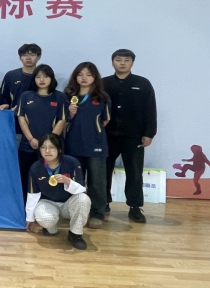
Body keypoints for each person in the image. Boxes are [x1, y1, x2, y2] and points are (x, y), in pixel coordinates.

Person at [103, 49, 157, 223]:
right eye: (118, 60)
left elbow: (150, 109)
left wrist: (149, 133)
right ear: (112, 62)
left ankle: (135, 207)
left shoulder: (143, 83)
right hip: (107, 135)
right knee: (103, 170)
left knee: (134, 172)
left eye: (126, 60)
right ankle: (103, 202)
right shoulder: (103, 83)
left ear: (132, 63)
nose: (122, 63)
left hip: (133, 136)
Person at [64, 62, 111, 229]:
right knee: (75, 181)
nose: (84, 78)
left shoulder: (102, 97)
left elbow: (105, 120)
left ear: (95, 77)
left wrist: (93, 131)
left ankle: (97, 213)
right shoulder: (68, 96)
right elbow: (62, 120)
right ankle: (76, 212)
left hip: (96, 145)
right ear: (75, 77)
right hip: (73, 144)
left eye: (88, 75)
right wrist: (70, 114)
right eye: (80, 74)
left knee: (97, 181)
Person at [26, 133, 90, 250]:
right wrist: (29, 219)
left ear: (59, 149)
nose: (47, 151)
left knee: (83, 199)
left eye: (51, 147)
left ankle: (75, 235)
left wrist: (68, 182)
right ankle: (51, 228)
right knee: (45, 218)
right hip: (48, 203)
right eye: (43, 147)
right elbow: (32, 194)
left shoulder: (72, 163)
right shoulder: (35, 168)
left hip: (68, 203)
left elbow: (82, 189)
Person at [16, 64, 68, 201]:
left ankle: (49, 204)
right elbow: (21, 118)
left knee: (49, 177)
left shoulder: (60, 97)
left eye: (45, 76)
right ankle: (25, 206)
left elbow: (62, 120)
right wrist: (31, 139)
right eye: (38, 77)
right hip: (28, 146)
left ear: (52, 78)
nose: (42, 80)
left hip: (51, 148)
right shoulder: (26, 96)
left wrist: (48, 143)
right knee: (25, 177)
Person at [0, 44, 42, 136]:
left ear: (39, 57)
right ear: (20, 58)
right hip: (15, 125)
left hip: (38, 123)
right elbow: (4, 97)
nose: (28, 58)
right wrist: (6, 105)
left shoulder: (43, 77)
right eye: (24, 55)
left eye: (32, 55)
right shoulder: (11, 75)